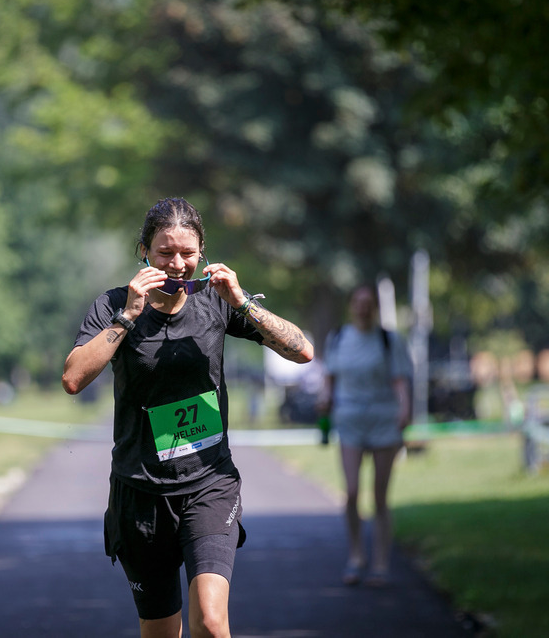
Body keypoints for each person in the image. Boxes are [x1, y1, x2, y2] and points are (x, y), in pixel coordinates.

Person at [62, 197, 314, 638]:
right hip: (140, 494)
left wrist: (243, 302)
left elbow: (302, 351)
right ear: (144, 252)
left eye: (188, 253)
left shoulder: (216, 303)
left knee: (212, 624)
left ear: (203, 253)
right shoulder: (114, 306)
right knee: (161, 632)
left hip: (209, 485)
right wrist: (127, 316)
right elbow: (73, 379)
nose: (178, 264)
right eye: (165, 253)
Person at [319, 285, 413, 587]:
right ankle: (357, 555)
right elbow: (329, 379)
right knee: (351, 491)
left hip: (384, 420)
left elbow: (400, 381)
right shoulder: (338, 338)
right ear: (350, 306)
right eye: (358, 302)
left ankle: (381, 563)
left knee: (380, 497)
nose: (363, 308)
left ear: (375, 307)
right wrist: (325, 399)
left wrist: (405, 410)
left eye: (368, 303)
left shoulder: (389, 340)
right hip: (349, 421)